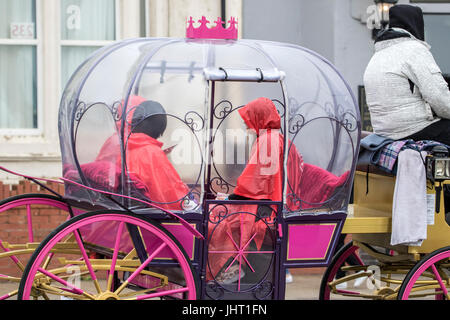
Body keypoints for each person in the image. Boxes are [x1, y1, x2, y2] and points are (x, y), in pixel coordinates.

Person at [363, 4, 450, 145]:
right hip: (414, 130)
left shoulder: (377, 56)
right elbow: (439, 98)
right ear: (416, 23)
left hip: (384, 133)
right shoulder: (414, 50)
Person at [96, 98, 190, 210]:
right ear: (160, 130)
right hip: (151, 216)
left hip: (115, 208)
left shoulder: (117, 143)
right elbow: (171, 196)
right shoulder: (153, 152)